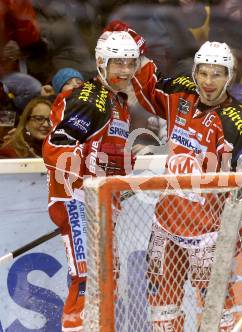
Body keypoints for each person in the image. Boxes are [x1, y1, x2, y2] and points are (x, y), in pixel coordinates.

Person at [130, 37, 242, 330]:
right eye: (203, 72)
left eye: (217, 74)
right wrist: (132, 45)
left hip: (210, 234)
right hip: (166, 224)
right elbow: (145, 87)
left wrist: (233, 236)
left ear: (229, 76)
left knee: (216, 310)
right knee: (162, 307)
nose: (208, 80)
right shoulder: (181, 94)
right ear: (195, 72)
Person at [42, 30, 143, 332]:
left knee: (105, 278)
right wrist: (82, 182)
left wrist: (117, 163)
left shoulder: (116, 100)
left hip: (97, 206)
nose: (125, 71)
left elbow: (103, 149)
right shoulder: (91, 98)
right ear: (101, 62)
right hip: (79, 203)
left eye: (130, 63)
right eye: (118, 63)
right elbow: (56, 148)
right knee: (87, 280)